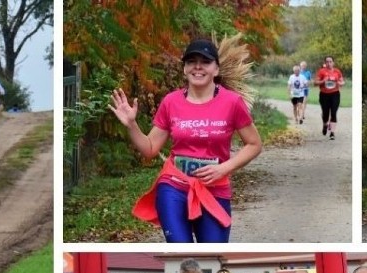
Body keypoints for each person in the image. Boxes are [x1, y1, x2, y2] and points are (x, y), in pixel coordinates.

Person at [109, 38, 262, 243]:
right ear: (184, 69)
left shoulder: (232, 102)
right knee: (180, 247)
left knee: (212, 251)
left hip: (214, 187)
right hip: (174, 185)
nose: (197, 66)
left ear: (216, 69)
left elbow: (254, 144)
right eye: (191, 61)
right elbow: (150, 148)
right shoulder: (171, 102)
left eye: (205, 61)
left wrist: (224, 168)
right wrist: (131, 125)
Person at [314, 56, 345, 140]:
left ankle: (332, 133)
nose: (329, 63)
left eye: (330, 61)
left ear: (333, 63)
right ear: (325, 63)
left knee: (334, 112)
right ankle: (325, 125)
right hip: (324, 95)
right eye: (327, 62)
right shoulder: (321, 71)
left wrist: (339, 82)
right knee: (325, 114)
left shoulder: (337, 71)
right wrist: (323, 81)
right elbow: (315, 83)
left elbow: (342, 82)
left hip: (335, 94)